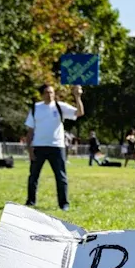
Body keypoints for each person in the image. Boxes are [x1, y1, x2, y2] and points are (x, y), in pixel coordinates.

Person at [24, 83, 84, 211]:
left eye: (51, 92)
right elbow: (30, 131)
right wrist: (29, 149)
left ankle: (64, 203)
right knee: (33, 176)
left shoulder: (60, 107)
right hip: (38, 146)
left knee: (61, 176)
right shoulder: (35, 108)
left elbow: (79, 113)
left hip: (57, 147)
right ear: (41, 95)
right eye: (47, 92)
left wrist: (77, 97)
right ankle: (30, 202)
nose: (50, 95)